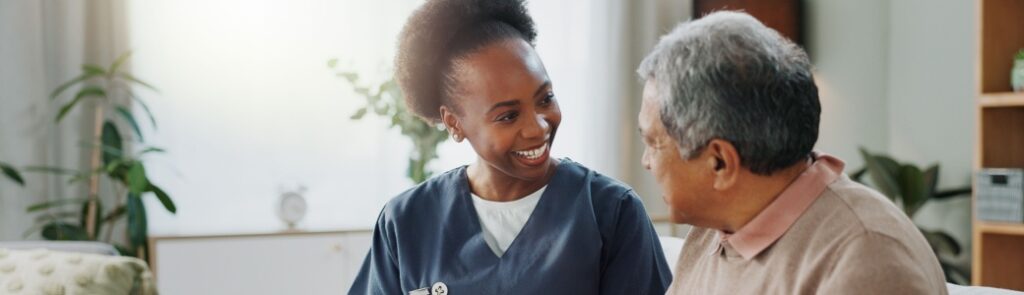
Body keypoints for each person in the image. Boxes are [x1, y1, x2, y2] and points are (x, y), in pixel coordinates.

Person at [349, 0, 671, 294]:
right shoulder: (406, 221)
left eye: (545, 99)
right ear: (454, 123)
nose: (538, 127)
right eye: (508, 116)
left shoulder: (611, 213)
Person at [635, 11, 948, 294]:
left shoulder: (868, 259)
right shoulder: (711, 234)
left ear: (720, 162)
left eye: (652, 143)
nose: (645, 162)